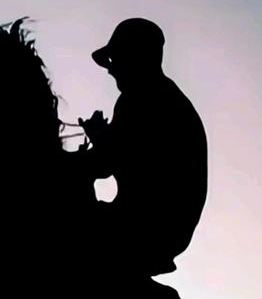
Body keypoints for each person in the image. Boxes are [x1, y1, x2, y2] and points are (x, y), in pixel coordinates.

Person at [73, 18, 207, 278]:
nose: (111, 70)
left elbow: (104, 164)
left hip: (139, 229)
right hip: (164, 233)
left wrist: (59, 162)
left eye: (115, 59)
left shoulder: (140, 98)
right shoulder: (166, 98)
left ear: (136, 55)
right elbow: (131, 156)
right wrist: (102, 139)